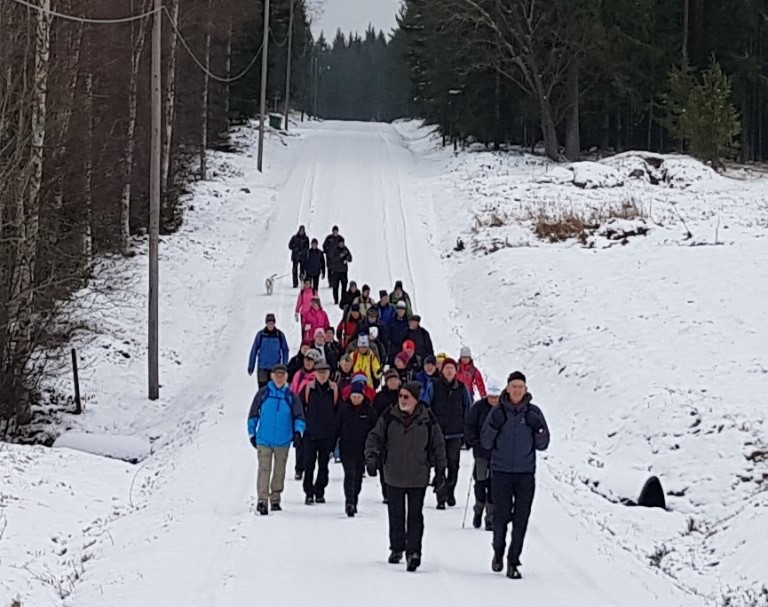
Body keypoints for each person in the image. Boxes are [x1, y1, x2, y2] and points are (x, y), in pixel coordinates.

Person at [365, 381, 447, 572]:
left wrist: (441, 470)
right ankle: (397, 548)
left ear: (416, 399)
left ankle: (414, 552)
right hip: (393, 473)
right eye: (400, 396)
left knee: (415, 515)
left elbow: (438, 444)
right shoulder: (389, 415)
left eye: (406, 397)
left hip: (418, 474)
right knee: (396, 514)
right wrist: (371, 456)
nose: (402, 400)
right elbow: (375, 436)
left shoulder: (428, 419)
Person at [481, 371, 549, 579]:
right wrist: (494, 425)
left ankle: (513, 560)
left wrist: (538, 429)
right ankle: (498, 552)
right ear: (507, 389)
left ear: (526, 389)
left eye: (521, 386)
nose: (517, 390)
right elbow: (485, 442)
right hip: (501, 472)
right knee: (500, 517)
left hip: (525, 474)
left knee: (521, 518)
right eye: (514, 386)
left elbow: (543, 444)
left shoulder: (534, 412)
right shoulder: (497, 412)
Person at [247, 365, 305, 515]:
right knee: (264, 469)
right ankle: (262, 500)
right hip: (264, 439)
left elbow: (299, 417)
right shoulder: (263, 393)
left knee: (279, 471)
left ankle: (275, 498)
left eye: (282, 374)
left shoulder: (291, 396)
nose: (279, 377)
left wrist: (298, 432)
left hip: (283, 440)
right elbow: (253, 413)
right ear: (272, 376)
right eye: (277, 374)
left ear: (286, 377)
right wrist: (252, 433)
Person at [422, 358, 472, 509]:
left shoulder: (462, 389)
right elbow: (425, 407)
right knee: (440, 464)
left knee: (453, 465)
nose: (449, 371)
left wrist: (467, 432)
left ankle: (450, 491)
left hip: (455, 434)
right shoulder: (434, 386)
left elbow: (468, 410)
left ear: (456, 371)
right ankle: (441, 497)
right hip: (438, 434)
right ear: (442, 370)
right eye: (446, 368)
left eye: (452, 368)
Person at [464, 380, 504, 531]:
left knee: (494, 485)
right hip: (481, 453)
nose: (493, 400)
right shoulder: (478, 408)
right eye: (491, 396)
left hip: (498, 455)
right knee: (480, 482)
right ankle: (478, 508)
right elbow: (469, 426)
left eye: (496, 397)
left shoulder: (503, 410)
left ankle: (490, 518)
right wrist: (474, 442)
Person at [335, 378, 378, 516]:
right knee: (350, 474)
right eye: (353, 396)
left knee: (358, 476)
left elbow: (375, 430)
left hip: (362, 449)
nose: (356, 399)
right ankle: (349, 502)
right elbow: (336, 427)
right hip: (346, 448)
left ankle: (355, 498)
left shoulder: (369, 411)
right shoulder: (344, 409)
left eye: (358, 396)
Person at [300, 362, 339, 504]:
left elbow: (338, 412)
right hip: (310, 434)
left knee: (324, 466)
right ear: (315, 373)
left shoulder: (334, 389)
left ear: (329, 373)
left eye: (325, 372)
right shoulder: (307, 389)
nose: (322, 375)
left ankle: (320, 491)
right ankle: (308, 492)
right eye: (319, 372)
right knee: (309, 464)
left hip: (327, 435)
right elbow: (299, 409)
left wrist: (336, 432)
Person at [372, 370, 401, 503]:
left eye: (395, 380)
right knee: (385, 464)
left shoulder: (404, 395)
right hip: (384, 434)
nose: (393, 382)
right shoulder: (380, 397)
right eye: (390, 380)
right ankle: (386, 492)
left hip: (401, 435)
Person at [248, 313, 290, 388]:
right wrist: (251, 366)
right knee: (262, 389)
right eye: (269, 323)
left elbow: (285, 350)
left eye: (272, 323)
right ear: (266, 324)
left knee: (274, 388)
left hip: (275, 368)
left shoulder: (279, 335)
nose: (270, 325)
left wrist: (284, 364)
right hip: (262, 367)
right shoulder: (261, 335)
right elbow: (254, 350)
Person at [327, 237, 353, 305]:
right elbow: (332, 259)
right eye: (340, 243)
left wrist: (346, 259)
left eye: (342, 243)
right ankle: (336, 300)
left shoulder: (345, 249)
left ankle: (343, 300)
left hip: (344, 271)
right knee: (335, 286)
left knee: (344, 286)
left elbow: (350, 258)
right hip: (336, 271)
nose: (341, 244)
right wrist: (340, 256)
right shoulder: (335, 250)